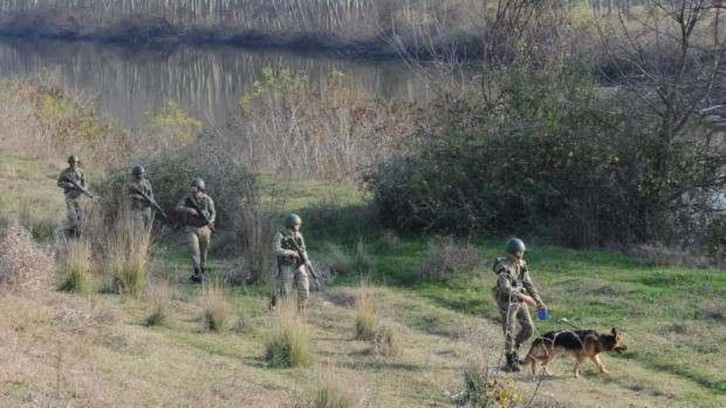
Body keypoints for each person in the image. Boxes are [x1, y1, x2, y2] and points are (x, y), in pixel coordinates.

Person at [492, 238, 546, 372]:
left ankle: (514, 348)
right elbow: (505, 288)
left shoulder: (522, 264)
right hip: (507, 302)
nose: (522, 254)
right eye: (520, 251)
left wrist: (537, 299)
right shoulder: (504, 267)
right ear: (513, 252)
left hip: (519, 301)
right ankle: (510, 361)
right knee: (509, 331)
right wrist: (524, 297)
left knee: (529, 328)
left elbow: (528, 283)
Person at [175, 178, 215, 283]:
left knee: (204, 251)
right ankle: (197, 272)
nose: (194, 192)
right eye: (193, 190)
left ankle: (202, 270)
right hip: (191, 228)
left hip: (205, 228)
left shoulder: (207, 200)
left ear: (201, 189)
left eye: (196, 190)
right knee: (194, 250)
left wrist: (211, 221)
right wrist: (189, 209)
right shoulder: (187, 199)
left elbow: (213, 213)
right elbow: (177, 207)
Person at [271, 213, 311, 314]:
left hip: (298, 265)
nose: (299, 226)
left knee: (304, 287)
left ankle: (301, 310)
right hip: (286, 265)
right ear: (292, 225)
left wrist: (306, 260)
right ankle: (281, 309)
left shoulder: (298, 236)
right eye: (298, 225)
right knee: (285, 290)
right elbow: (276, 249)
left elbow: (303, 249)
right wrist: (290, 252)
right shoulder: (280, 235)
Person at [57, 154, 89, 238]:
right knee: (71, 214)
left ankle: (79, 232)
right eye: (72, 163)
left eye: (75, 162)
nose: (74, 164)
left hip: (79, 196)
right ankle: (71, 231)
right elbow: (59, 183)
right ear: (69, 163)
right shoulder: (65, 173)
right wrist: (69, 185)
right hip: (69, 195)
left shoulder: (81, 172)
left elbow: (85, 183)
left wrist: (84, 189)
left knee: (80, 214)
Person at [125, 164, 154, 229]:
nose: (140, 176)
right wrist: (134, 196)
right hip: (136, 209)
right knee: (139, 228)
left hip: (146, 209)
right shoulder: (130, 184)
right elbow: (125, 196)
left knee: (148, 227)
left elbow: (151, 194)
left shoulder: (147, 183)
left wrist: (150, 200)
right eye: (138, 174)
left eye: (141, 174)